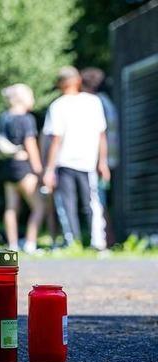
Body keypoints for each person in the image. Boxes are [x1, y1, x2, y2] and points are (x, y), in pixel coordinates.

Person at [42, 66, 110, 249]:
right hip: (88, 162)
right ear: (78, 80)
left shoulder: (57, 105)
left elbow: (55, 139)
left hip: (64, 162)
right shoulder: (93, 102)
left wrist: (48, 169)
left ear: (59, 84)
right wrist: (103, 161)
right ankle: (98, 243)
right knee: (92, 203)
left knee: (67, 204)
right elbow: (102, 134)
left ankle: (72, 242)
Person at [0, 83, 45, 253]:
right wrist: (38, 170)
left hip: (8, 166)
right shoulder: (26, 119)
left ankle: (13, 246)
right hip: (23, 166)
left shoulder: (3, 117)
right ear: (23, 99)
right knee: (39, 206)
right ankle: (30, 244)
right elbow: (31, 145)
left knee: (11, 207)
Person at [81, 67, 118, 247]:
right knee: (102, 200)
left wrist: (100, 160)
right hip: (109, 159)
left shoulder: (94, 103)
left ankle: (106, 240)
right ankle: (109, 240)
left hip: (98, 161)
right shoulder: (106, 101)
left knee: (98, 200)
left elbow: (99, 134)